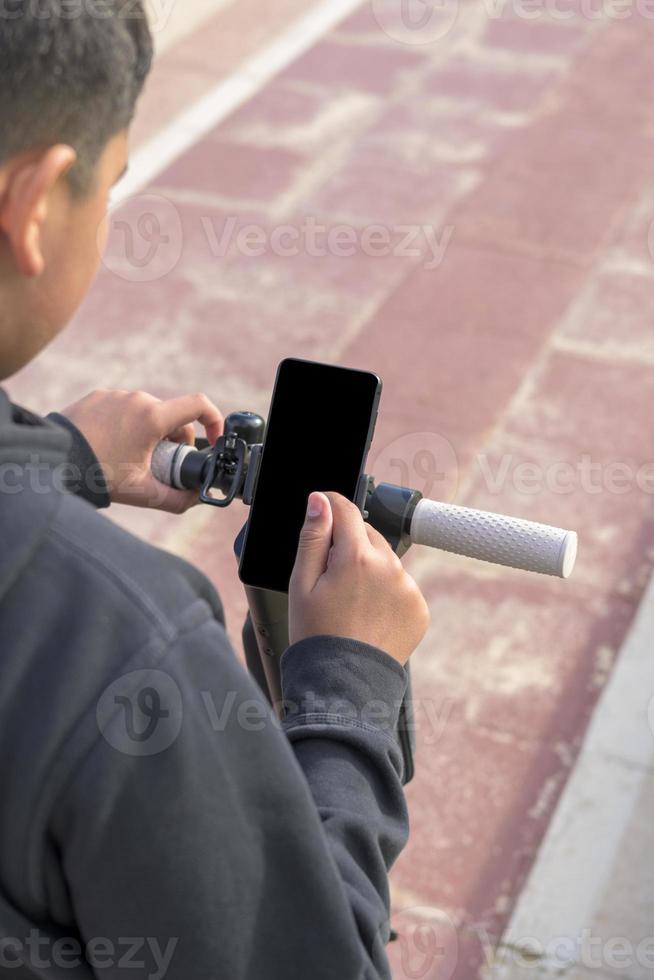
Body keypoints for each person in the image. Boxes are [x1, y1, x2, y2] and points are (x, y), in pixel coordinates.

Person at [0, 4, 431, 978]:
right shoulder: (118, 641)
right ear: (31, 207)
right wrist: (352, 683)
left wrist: (50, 456)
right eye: (108, 188)